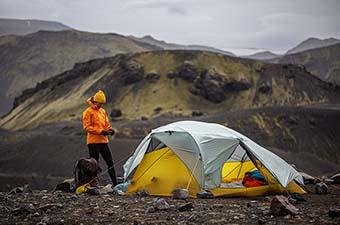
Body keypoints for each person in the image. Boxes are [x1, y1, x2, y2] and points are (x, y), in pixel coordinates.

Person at [82, 90, 117, 186]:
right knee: (94, 164)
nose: (101, 105)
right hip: (93, 142)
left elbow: (106, 125)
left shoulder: (103, 111)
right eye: (100, 103)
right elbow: (87, 127)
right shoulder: (88, 112)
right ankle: (94, 184)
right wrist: (101, 131)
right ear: (95, 101)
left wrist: (110, 130)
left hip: (103, 141)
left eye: (102, 104)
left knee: (110, 161)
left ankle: (115, 183)